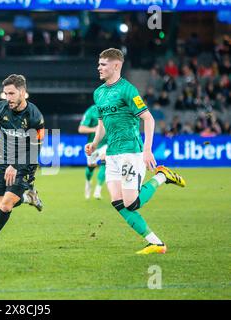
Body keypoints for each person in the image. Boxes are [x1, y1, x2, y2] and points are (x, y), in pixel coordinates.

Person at [85, 48, 186, 255]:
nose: (99, 67)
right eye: (99, 63)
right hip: (112, 154)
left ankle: (161, 176)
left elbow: (148, 118)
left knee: (132, 203)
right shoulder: (99, 92)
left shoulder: (127, 89)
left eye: (103, 64)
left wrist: (147, 150)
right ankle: (156, 243)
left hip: (131, 151)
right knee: (117, 202)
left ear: (116, 66)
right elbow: (102, 122)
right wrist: (95, 143)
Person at [0, 74, 45, 250]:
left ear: (22, 92)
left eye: (11, 94)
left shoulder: (35, 117)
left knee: (5, 204)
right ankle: (27, 197)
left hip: (25, 165)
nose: (8, 98)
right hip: (2, 162)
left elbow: (35, 149)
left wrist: (16, 165)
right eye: (5, 94)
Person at [78, 105, 107, 199]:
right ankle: (88, 181)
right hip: (93, 144)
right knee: (91, 167)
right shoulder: (91, 110)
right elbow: (81, 129)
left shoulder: (113, 108)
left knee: (105, 161)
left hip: (107, 143)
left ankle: (98, 190)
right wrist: (96, 129)